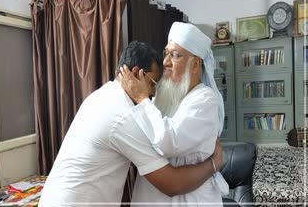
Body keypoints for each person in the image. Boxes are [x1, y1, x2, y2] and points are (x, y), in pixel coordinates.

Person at [38, 40, 223, 206]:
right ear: (136, 74)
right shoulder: (123, 116)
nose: (152, 95)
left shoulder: (103, 95)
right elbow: (172, 183)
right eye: (152, 84)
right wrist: (214, 163)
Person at [118, 22, 228, 206]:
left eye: (175, 55)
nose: (165, 62)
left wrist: (142, 98)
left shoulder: (205, 100)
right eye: (166, 53)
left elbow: (170, 142)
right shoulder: (164, 94)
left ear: (195, 64)